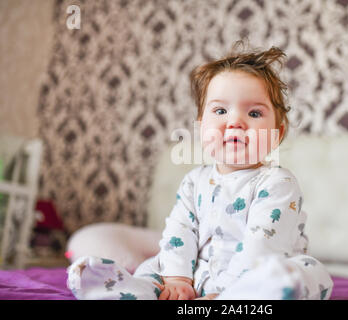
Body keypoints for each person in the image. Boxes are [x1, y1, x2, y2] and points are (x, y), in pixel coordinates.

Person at [67, 42, 333, 300]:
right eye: (220, 110)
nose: (235, 122)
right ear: (201, 127)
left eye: (254, 113)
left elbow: (262, 245)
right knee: (155, 266)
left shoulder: (277, 182)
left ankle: (242, 299)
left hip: (253, 279)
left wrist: (228, 290)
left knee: (310, 272)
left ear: (277, 134)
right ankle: (123, 290)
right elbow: (179, 230)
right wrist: (177, 279)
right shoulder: (195, 181)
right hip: (198, 275)